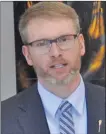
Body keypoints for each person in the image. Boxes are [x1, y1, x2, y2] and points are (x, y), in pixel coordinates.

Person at [1, 2, 105, 134]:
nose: (55, 53)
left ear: (81, 44)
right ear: (27, 55)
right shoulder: (4, 119)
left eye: (64, 39)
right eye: (42, 43)